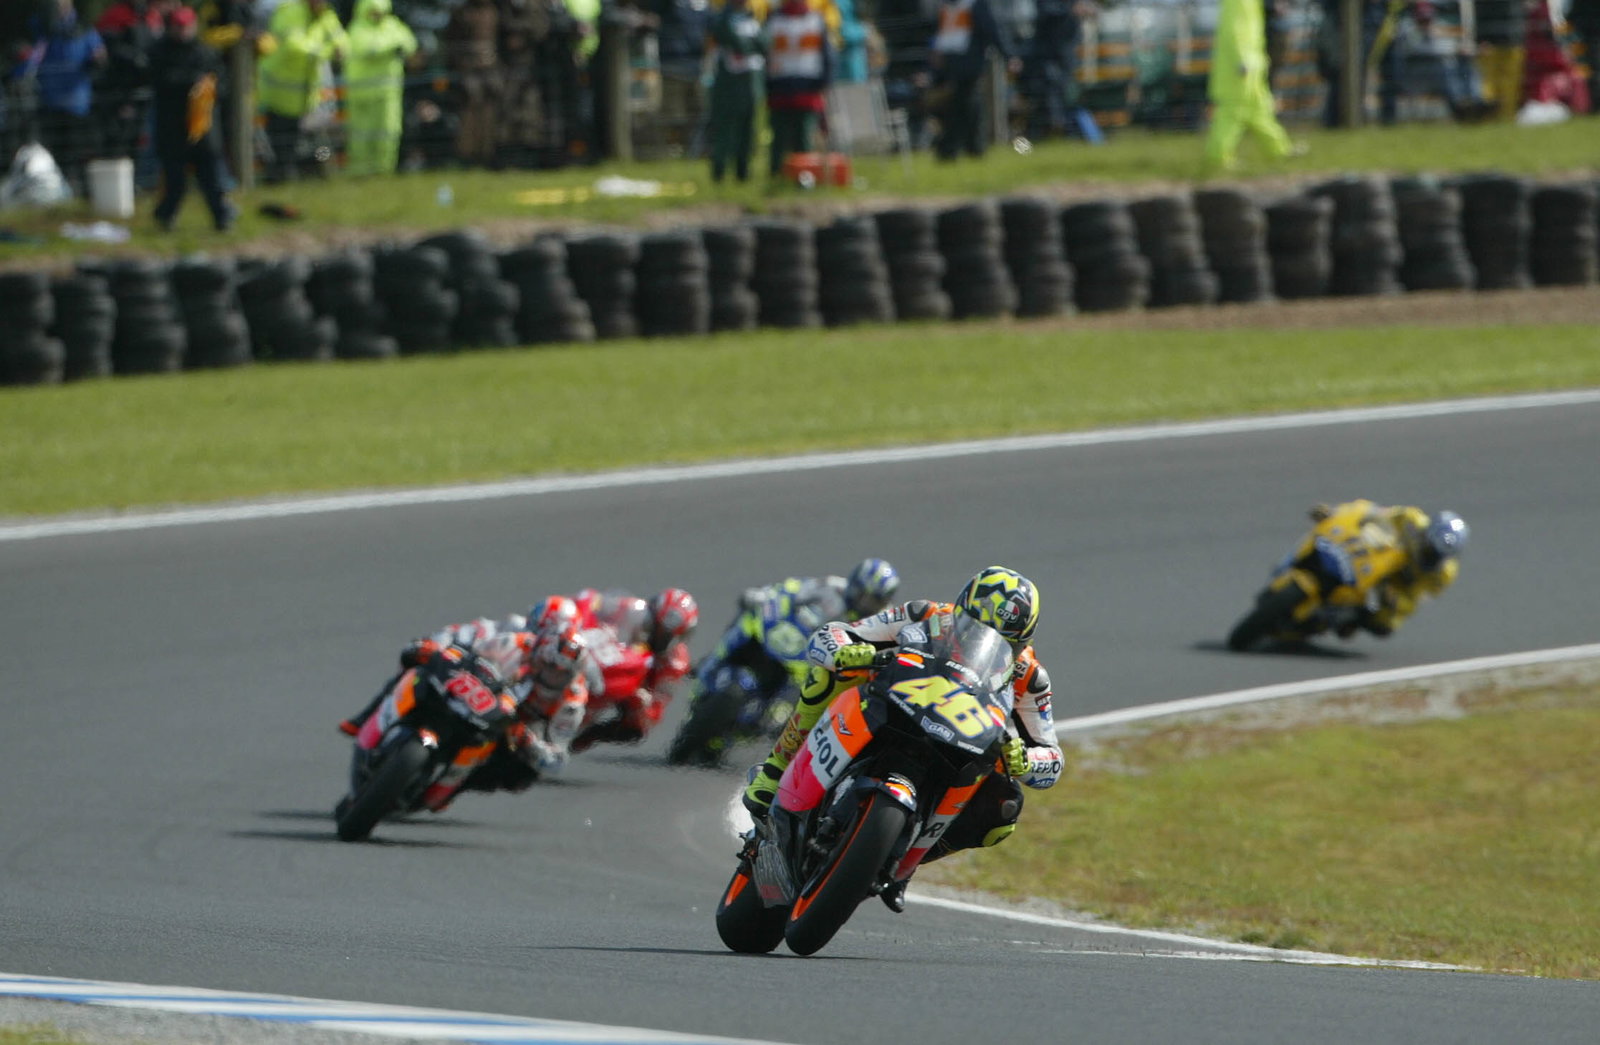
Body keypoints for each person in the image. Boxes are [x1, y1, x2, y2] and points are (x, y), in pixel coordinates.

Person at [741, 566, 1063, 912]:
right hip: (896, 705)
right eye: (976, 629)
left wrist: (1026, 760)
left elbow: (1052, 757)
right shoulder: (923, 615)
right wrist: (848, 650)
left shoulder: (1030, 677)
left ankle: (904, 863)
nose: (986, 643)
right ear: (960, 611)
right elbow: (834, 634)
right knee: (830, 675)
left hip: (962, 739)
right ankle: (776, 769)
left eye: (1009, 643)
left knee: (1005, 806)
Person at [668, 557, 901, 766]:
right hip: (790, 638)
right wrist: (767, 598)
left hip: (816, 665)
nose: (863, 601)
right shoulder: (830, 588)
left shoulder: (881, 621)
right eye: (861, 592)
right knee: (748, 617)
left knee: (799, 710)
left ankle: (775, 736)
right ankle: (713, 660)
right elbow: (790, 590)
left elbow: (882, 652)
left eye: (871, 599)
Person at [338, 612, 594, 791]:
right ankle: (367, 719)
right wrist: (436, 651)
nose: (551, 674)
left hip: (514, 729)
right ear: (539, 652)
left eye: (560, 673)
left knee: (522, 775)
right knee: (416, 665)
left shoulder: (572, 700)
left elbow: (558, 758)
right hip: (481, 698)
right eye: (549, 665)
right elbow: (474, 657)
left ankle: (455, 787)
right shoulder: (515, 643)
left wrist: (532, 744)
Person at [1307, 501, 1469, 637]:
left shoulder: (1443, 575)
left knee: (1385, 625)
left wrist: (1396, 601)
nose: (1430, 556)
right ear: (1427, 532)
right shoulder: (1410, 518)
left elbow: (1417, 598)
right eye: (1429, 549)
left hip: (1396, 583)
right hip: (1379, 552)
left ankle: (1345, 615)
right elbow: (1371, 512)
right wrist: (1335, 513)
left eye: (1437, 555)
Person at [570, 586, 699, 749]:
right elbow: (593, 605)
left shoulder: (675, 663)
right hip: (600, 652)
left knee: (635, 730)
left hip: (628, 684)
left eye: (664, 633)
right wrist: (582, 607)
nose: (656, 633)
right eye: (653, 624)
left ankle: (587, 736)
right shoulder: (630, 608)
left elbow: (655, 712)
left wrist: (641, 702)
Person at [148, 5, 237, 231]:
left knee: (212, 178)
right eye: (178, 26)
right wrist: (192, 84)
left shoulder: (206, 52)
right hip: (172, 128)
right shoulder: (159, 52)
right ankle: (165, 219)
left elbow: (223, 85)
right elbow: (162, 81)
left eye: (187, 26)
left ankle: (222, 218)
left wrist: (207, 87)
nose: (183, 31)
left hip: (204, 128)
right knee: (174, 181)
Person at [22, 0, 106, 196]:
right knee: (53, 149)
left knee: (76, 148)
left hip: (76, 102)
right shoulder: (42, 26)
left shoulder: (84, 29)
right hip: (49, 100)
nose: (59, 8)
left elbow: (99, 54)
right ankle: (56, 190)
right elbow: (31, 52)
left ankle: (76, 188)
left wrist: (97, 59)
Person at [256, 0, 346, 182]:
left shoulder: (326, 15)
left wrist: (339, 48)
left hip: (306, 95)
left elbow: (340, 40)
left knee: (307, 140)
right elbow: (293, 45)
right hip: (280, 93)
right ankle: (279, 179)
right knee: (281, 141)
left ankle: (306, 175)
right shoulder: (288, 11)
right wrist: (326, 51)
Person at [1205, 0, 1298, 171]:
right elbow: (1234, 29)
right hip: (1240, 67)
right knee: (1232, 113)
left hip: (1252, 64)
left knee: (1260, 110)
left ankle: (1279, 149)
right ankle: (1219, 157)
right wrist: (1241, 59)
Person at [927, 0, 1017, 161]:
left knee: (967, 106)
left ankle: (960, 148)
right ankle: (966, 148)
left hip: (969, 64)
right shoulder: (949, 6)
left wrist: (1008, 55)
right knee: (962, 107)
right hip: (951, 64)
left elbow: (991, 31)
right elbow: (942, 33)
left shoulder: (975, 5)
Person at [343, 0, 416, 176]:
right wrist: (392, 47)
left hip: (388, 92)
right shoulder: (357, 29)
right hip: (362, 94)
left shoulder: (393, 25)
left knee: (388, 132)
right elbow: (368, 49)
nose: (377, 15)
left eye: (380, 11)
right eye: (373, 11)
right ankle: (359, 172)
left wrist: (398, 46)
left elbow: (410, 43)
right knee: (361, 135)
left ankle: (384, 170)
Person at [763, 0, 831, 178]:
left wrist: (824, 84)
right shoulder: (773, 20)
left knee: (804, 137)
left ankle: (804, 177)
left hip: (808, 88)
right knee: (779, 137)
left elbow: (827, 55)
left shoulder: (816, 20)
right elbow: (763, 53)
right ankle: (776, 174)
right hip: (779, 88)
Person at [1023, 0, 1102, 144]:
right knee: (1048, 98)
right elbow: (1046, 12)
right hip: (1046, 57)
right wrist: (1071, 10)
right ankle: (1042, 136)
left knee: (1063, 96)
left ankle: (1059, 135)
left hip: (1066, 56)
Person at [706, 0, 765, 183]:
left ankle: (743, 173)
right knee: (724, 131)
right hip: (727, 85)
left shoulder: (753, 21)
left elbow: (763, 45)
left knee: (747, 131)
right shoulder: (722, 19)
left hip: (749, 84)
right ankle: (719, 173)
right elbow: (738, 43)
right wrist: (750, 45)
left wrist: (752, 45)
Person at [442, 0, 501, 166]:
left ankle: (488, 153)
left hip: (490, 68)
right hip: (468, 68)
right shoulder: (462, 13)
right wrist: (461, 63)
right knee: (469, 111)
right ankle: (467, 155)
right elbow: (451, 41)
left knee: (489, 111)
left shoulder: (493, 11)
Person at [1475, 0, 1528, 120]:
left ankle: (1505, 117)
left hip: (1511, 40)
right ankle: (1490, 116)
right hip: (1494, 41)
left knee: (1508, 83)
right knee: (1490, 82)